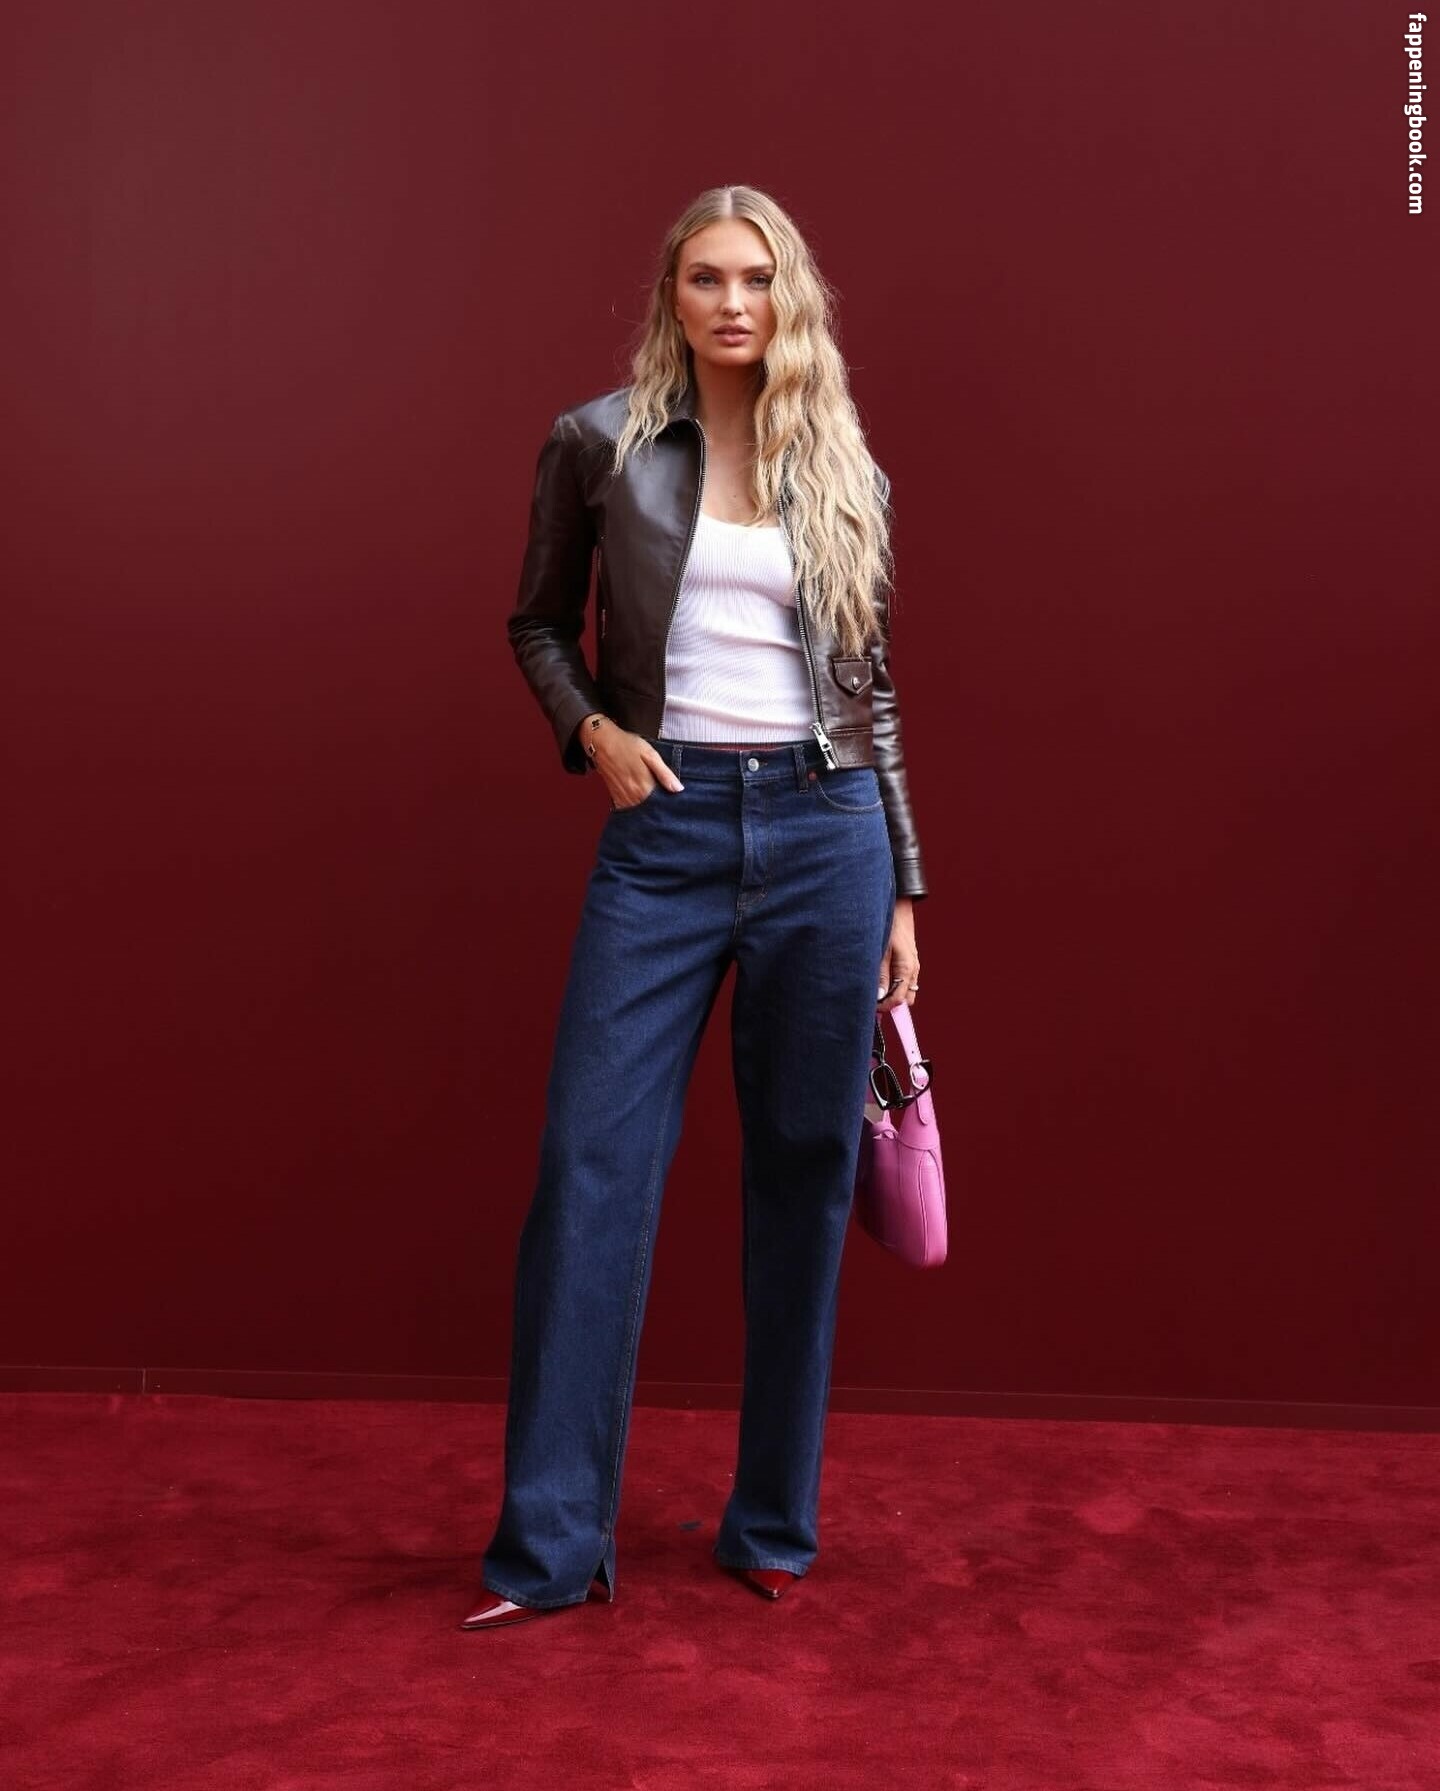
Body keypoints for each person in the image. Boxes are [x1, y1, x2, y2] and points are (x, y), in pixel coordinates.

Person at [460, 184, 928, 1632]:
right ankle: (550, 1552)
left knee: (803, 1174)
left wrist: (904, 887)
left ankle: (771, 1524)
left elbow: (872, 696)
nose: (735, 303)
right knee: (590, 1168)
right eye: (709, 278)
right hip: (661, 835)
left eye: (759, 278)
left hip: (826, 834)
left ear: (793, 298)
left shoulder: (841, 464)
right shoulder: (595, 442)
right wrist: (592, 732)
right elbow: (538, 621)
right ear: (672, 293)